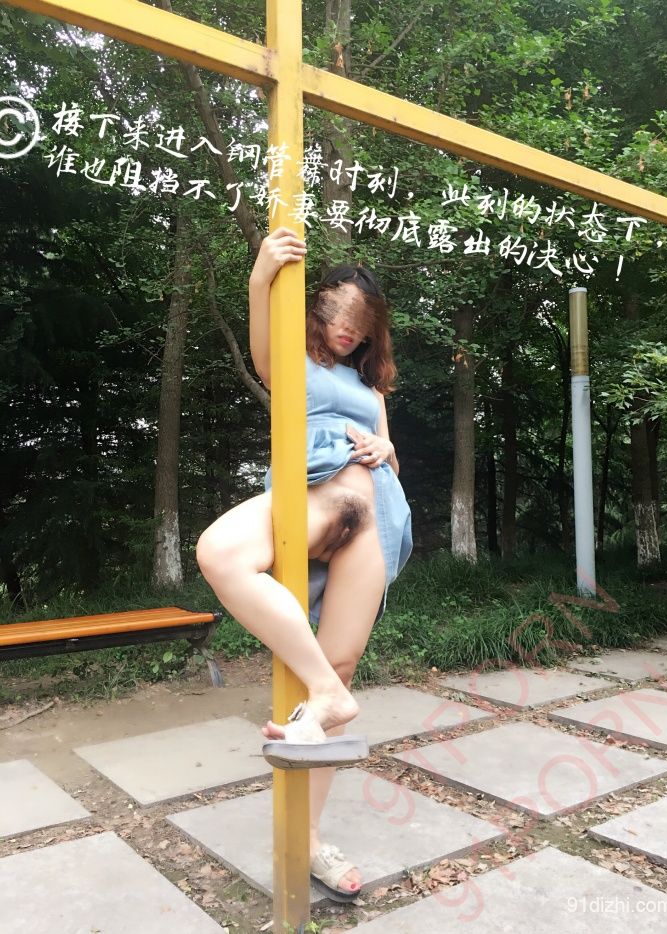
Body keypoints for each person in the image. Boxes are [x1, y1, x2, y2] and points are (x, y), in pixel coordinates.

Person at [196, 226, 413, 901]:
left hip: (377, 508)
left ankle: (311, 838)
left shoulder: (371, 386)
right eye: (338, 313)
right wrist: (261, 273)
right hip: (315, 493)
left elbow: (390, 452)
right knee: (220, 552)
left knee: (340, 664)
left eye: (361, 322)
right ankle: (326, 694)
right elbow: (263, 347)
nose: (348, 329)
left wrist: (386, 451)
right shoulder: (294, 359)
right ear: (318, 309)